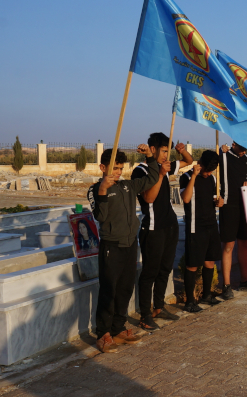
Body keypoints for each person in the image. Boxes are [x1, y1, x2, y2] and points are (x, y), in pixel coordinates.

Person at [88, 145, 158, 353]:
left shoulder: (128, 186)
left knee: (125, 288)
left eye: (120, 168)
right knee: (109, 290)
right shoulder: (95, 189)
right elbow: (100, 217)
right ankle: (103, 333)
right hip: (111, 246)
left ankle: (118, 327)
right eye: (115, 168)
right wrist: (103, 190)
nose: (118, 172)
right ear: (103, 167)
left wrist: (150, 156)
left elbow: (152, 178)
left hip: (130, 244)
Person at [133, 133, 192, 331]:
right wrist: (159, 174)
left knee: (165, 269)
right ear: (152, 149)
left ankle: (159, 307)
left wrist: (182, 151)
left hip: (170, 225)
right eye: (164, 151)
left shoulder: (165, 167)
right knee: (149, 272)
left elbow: (188, 162)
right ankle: (145, 315)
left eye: (168, 151)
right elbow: (149, 198)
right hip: (153, 228)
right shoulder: (141, 171)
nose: (167, 155)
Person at [180, 151, 224, 313]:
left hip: (211, 224)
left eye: (211, 171)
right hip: (195, 226)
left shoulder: (213, 179)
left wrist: (220, 202)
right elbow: (186, 198)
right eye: (206, 170)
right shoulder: (186, 177)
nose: (208, 174)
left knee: (210, 261)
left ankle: (207, 295)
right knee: (192, 264)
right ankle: (190, 302)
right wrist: (194, 176)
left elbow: (215, 198)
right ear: (200, 164)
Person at [219, 141, 247, 296]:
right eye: (241, 149)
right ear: (233, 144)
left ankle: (244, 280)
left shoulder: (246, 159)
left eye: (246, 150)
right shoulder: (223, 155)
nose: (243, 152)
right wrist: (220, 150)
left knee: (243, 243)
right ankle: (226, 285)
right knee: (228, 245)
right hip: (228, 205)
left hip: (244, 206)